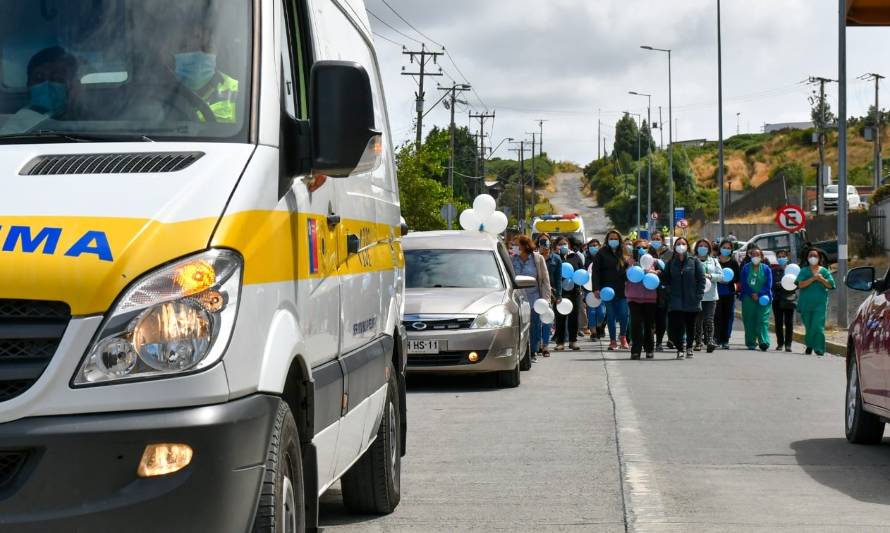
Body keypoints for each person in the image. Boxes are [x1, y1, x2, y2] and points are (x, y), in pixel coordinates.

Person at [1, 47, 80, 135]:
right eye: (38, 78)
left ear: (72, 86)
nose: (47, 85)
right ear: (28, 84)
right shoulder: (17, 125)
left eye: (57, 78)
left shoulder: (89, 119)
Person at [169, 27, 240, 123]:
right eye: (184, 47)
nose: (196, 55)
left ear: (217, 51)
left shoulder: (240, 92)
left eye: (205, 47)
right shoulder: (157, 91)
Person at [663, 237, 705, 359]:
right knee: (677, 326)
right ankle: (680, 348)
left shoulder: (694, 261)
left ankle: (689, 348)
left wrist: (698, 296)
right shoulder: (671, 263)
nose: (681, 245)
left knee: (690, 326)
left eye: (683, 243)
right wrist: (668, 291)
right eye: (678, 244)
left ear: (687, 246)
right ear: (675, 246)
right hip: (675, 300)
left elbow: (701, 279)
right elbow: (665, 279)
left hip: (692, 300)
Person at [512, 236, 552, 362]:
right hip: (518, 299)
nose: (514, 247)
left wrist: (546, 299)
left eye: (516, 244)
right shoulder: (512, 259)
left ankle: (533, 352)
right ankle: (521, 353)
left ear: (524, 245)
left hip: (535, 299)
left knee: (535, 325)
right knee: (519, 327)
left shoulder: (538, 259)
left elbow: (545, 280)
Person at [591, 230, 630, 351]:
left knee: (624, 314)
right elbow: (596, 272)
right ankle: (613, 341)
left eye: (616, 238)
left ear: (620, 240)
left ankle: (623, 337)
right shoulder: (601, 253)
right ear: (607, 240)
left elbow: (630, 270)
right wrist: (596, 288)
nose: (613, 241)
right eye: (611, 238)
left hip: (623, 289)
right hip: (607, 290)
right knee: (611, 315)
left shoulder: (624, 252)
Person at [796, 248, 835, 356]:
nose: (813, 258)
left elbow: (831, 285)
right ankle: (809, 345)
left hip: (820, 304)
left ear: (819, 258)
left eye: (815, 256)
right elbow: (800, 284)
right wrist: (813, 278)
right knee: (809, 326)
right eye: (810, 256)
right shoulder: (804, 271)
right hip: (806, 304)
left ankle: (819, 348)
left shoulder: (824, 271)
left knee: (818, 326)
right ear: (807, 258)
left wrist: (821, 279)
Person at [626, 239, 660, 359]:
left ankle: (649, 349)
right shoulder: (628, 261)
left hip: (650, 298)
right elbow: (622, 276)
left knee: (649, 325)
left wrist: (655, 272)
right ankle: (635, 350)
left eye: (644, 247)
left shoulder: (654, 261)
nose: (641, 249)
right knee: (636, 324)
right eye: (638, 247)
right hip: (633, 298)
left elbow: (663, 273)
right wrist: (629, 266)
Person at [740, 247, 773, 351]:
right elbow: (743, 283)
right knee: (749, 319)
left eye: (757, 255)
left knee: (762, 320)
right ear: (750, 256)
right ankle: (751, 342)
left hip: (764, 298)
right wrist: (751, 293)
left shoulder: (766, 268)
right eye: (753, 255)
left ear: (762, 257)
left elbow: (769, 284)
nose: (755, 257)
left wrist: (759, 294)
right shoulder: (745, 268)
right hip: (748, 298)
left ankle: (764, 342)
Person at [694, 239, 724, 353]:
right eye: (700, 246)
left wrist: (710, 276)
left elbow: (721, 276)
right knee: (698, 320)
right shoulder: (693, 260)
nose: (702, 248)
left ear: (709, 248)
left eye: (705, 246)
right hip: (697, 295)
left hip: (711, 296)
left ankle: (710, 340)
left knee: (709, 319)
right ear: (697, 248)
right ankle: (697, 341)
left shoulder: (714, 261)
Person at [554, 237, 583, 351]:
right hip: (560, 292)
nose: (562, 246)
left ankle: (573, 341)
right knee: (560, 317)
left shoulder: (575, 257)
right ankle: (560, 342)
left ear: (569, 245)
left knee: (574, 317)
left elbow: (581, 270)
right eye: (560, 244)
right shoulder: (555, 258)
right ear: (556, 246)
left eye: (564, 244)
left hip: (574, 291)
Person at [715, 239, 741, 350]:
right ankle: (716, 338)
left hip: (729, 293)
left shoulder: (734, 262)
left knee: (728, 317)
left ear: (731, 250)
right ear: (720, 248)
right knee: (717, 316)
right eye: (724, 247)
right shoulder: (715, 261)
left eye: (728, 248)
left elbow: (737, 278)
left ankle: (725, 339)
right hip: (716, 293)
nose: (726, 250)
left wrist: (729, 281)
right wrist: (719, 279)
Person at [770, 250, 798, 353]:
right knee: (778, 322)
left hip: (789, 299)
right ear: (777, 258)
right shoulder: (773, 271)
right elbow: (771, 284)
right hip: (777, 299)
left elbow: (797, 284)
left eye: (783, 256)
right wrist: (778, 284)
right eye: (779, 257)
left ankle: (788, 344)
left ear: (787, 257)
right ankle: (780, 343)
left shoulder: (793, 270)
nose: (781, 258)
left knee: (789, 322)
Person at [539, 235, 562, 357]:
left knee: (547, 319)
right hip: (535, 292)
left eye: (546, 242)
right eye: (541, 242)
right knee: (536, 321)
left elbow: (558, 278)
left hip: (549, 293)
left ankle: (545, 346)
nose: (544, 245)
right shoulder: (535, 258)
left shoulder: (556, 259)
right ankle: (537, 344)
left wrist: (559, 294)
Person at [649, 232, 671, 350]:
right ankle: (650, 341)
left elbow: (671, 270)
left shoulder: (670, 254)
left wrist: (660, 272)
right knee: (650, 317)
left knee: (661, 318)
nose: (655, 241)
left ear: (662, 240)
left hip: (664, 290)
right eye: (653, 239)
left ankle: (659, 342)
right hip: (649, 290)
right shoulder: (647, 252)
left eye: (658, 239)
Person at [584, 239, 606, 340]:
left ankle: (599, 326)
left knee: (601, 312)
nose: (593, 247)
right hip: (588, 289)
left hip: (602, 288)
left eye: (595, 245)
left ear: (599, 246)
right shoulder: (585, 259)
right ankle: (593, 333)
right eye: (591, 245)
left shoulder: (603, 257)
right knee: (591, 312)